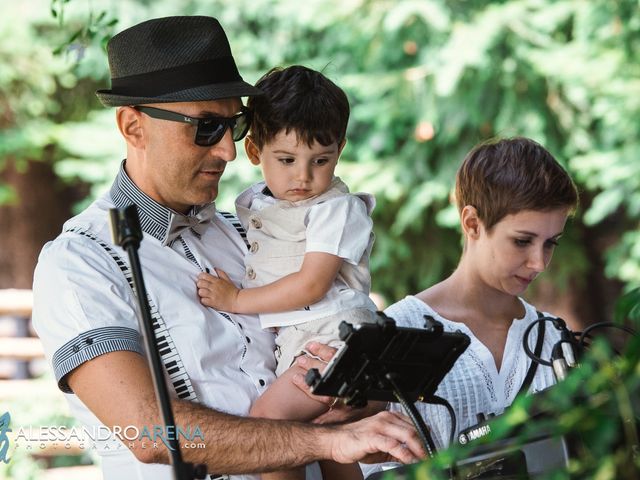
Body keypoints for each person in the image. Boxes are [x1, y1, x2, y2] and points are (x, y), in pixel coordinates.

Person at [31, 16, 423, 480]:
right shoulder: (81, 263)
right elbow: (149, 433)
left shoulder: (253, 231)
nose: (228, 152)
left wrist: (356, 402)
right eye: (205, 127)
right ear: (133, 127)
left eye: (233, 126)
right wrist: (323, 441)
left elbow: (336, 344)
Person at [195, 65, 377, 480]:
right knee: (333, 441)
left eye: (321, 160)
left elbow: (313, 283)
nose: (303, 176)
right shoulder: (259, 208)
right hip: (306, 339)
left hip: (333, 337)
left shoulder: (335, 209)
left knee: (268, 423)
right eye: (287, 159)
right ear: (256, 152)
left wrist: (237, 300)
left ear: (340, 150)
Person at [363, 137, 579, 477]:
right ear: (472, 223)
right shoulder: (397, 333)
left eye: (551, 243)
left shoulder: (554, 339)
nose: (539, 263)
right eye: (522, 241)